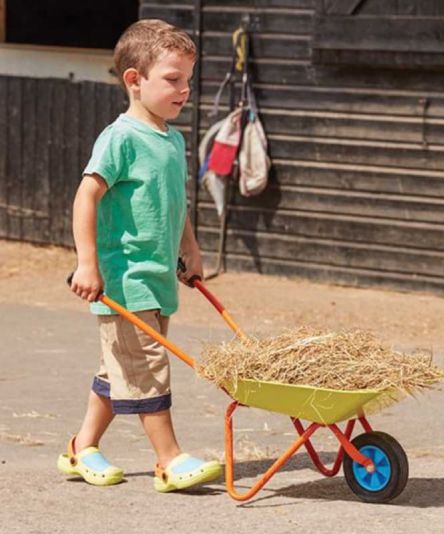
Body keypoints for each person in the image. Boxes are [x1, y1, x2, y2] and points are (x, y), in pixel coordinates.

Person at [56, 19, 222, 492]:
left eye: (188, 80)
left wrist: (190, 247)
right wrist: (88, 264)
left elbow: (175, 201)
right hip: (123, 279)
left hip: (157, 278)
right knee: (146, 365)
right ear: (135, 80)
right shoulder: (121, 138)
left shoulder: (172, 139)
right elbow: (85, 196)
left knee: (120, 368)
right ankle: (169, 460)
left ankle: (80, 447)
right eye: (173, 79)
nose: (184, 90)